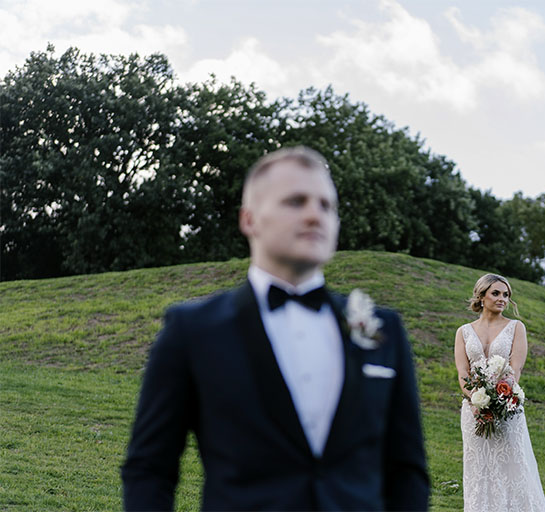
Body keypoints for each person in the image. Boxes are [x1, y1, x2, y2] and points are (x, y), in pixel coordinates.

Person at [121, 146, 429, 511]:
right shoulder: (193, 330)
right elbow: (150, 468)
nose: (315, 215)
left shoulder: (385, 328)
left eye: (327, 206)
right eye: (296, 201)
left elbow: (407, 470)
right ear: (249, 219)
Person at [454, 273, 545, 512]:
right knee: (478, 469)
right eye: (496, 293)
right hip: (473, 411)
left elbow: (515, 370)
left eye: (506, 295)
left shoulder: (516, 328)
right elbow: (463, 372)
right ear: (481, 295)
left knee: (513, 467)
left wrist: (498, 400)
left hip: (506, 407)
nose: (502, 299)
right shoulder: (463, 332)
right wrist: (475, 401)